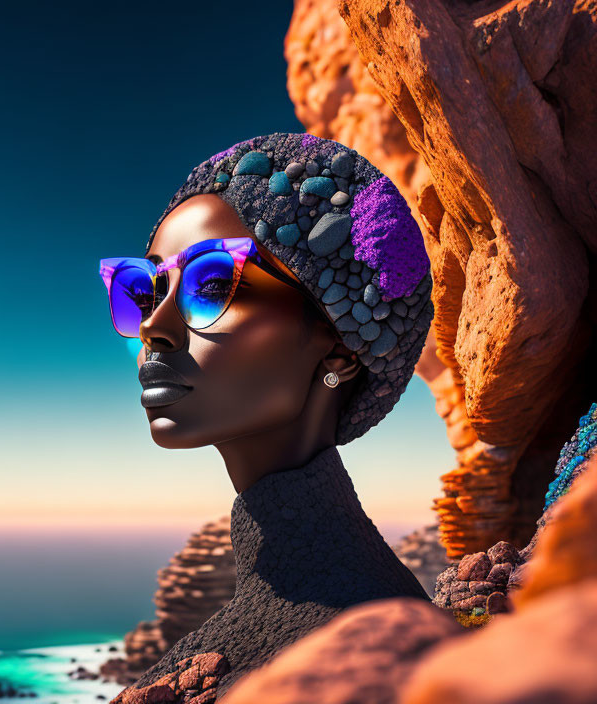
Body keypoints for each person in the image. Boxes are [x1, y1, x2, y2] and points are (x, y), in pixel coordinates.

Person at [98, 133, 433, 700]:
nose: (155, 324)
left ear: (340, 350)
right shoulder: (298, 608)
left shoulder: (358, 656)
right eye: (146, 288)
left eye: (211, 285)